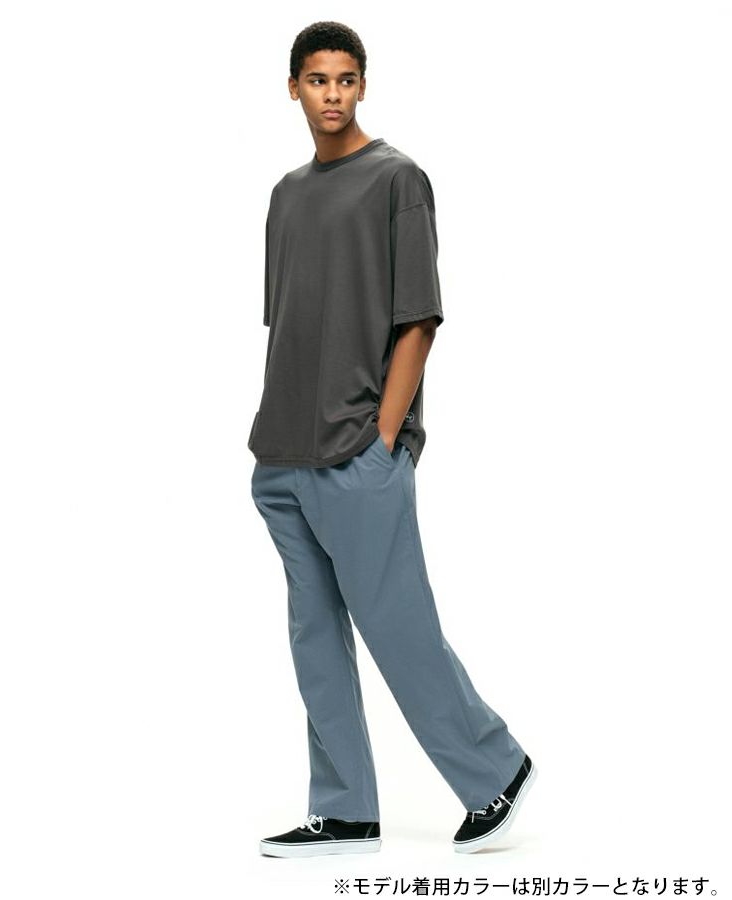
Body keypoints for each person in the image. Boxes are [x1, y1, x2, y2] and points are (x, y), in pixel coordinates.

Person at [248, 20, 537, 859]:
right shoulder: (285, 195)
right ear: (293, 88)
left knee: (397, 626)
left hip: (356, 453)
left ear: (363, 87)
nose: (332, 94)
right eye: (317, 79)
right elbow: (290, 323)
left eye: (346, 79)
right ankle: (344, 810)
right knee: (315, 640)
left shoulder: (396, 179)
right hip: (283, 456)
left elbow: (418, 320)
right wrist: (272, 447)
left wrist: (383, 440)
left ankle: (496, 771)